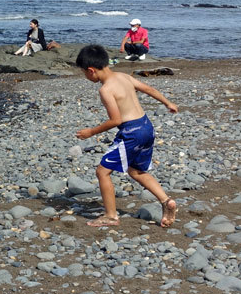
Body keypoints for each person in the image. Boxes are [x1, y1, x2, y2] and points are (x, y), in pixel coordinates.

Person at [74, 44, 179, 228]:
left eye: (84, 73)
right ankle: (166, 201)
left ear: (91, 71)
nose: (85, 76)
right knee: (136, 171)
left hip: (132, 132)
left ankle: (111, 216)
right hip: (146, 126)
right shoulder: (123, 76)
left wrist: (91, 132)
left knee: (102, 172)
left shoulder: (105, 90)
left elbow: (115, 120)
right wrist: (168, 103)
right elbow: (149, 89)